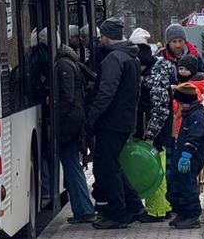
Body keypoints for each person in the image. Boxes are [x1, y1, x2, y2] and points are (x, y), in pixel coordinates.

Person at [85, 17, 144, 229]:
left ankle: (117, 214)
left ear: (108, 36)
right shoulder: (132, 58)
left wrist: (92, 117)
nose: (100, 39)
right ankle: (133, 206)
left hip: (110, 122)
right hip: (125, 121)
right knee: (114, 166)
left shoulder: (114, 59)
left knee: (106, 168)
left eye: (102, 35)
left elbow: (106, 92)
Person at [129, 28, 172, 223]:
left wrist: (150, 135)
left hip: (154, 131)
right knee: (157, 166)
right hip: (155, 130)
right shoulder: (157, 69)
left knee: (154, 169)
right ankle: (164, 206)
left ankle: (156, 210)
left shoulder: (154, 73)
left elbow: (159, 108)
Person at [54, 38, 96, 224]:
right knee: (72, 164)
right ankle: (83, 208)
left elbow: (67, 97)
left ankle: (83, 209)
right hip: (74, 121)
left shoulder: (63, 64)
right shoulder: (69, 62)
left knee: (71, 165)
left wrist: (59, 123)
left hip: (69, 124)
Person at [165, 57, 204, 230]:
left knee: (187, 184)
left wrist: (186, 154)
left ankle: (192, 214)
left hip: (191, 155)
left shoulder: (196, 116)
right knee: (177, 181)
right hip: (183, 153)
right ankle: (182, 211)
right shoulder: (189, 113)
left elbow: (196, 136)